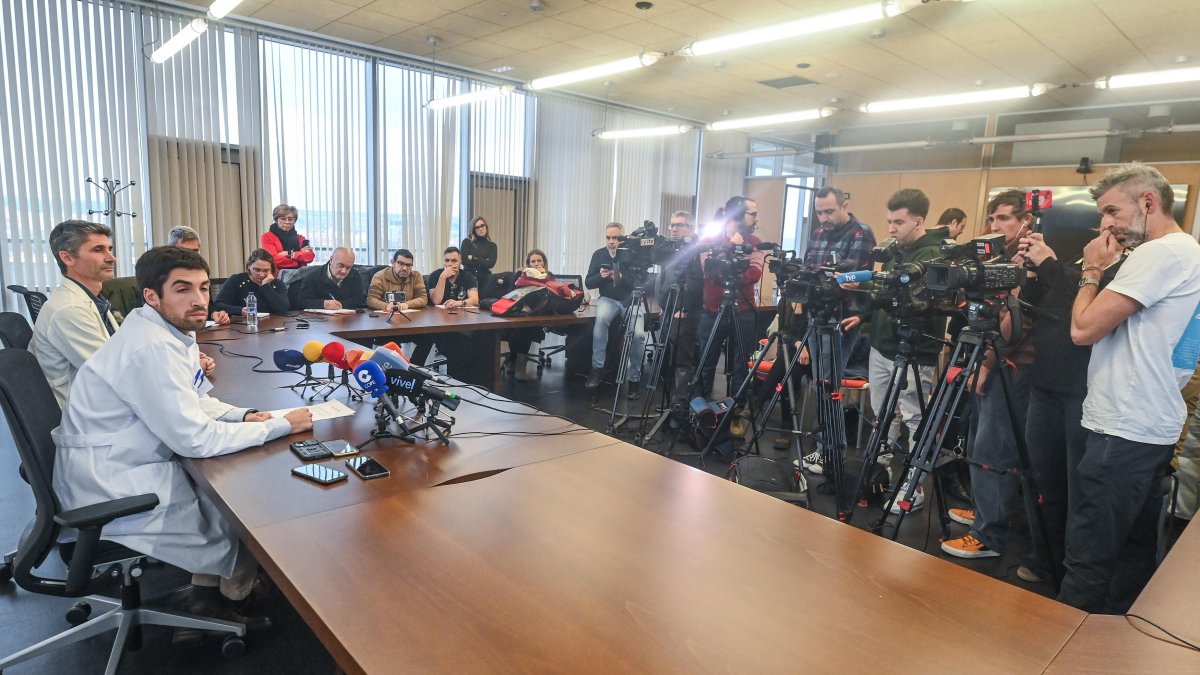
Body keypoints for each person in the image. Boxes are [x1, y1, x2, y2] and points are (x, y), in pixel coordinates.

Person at [51, 246, 314, 631]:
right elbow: (196, 440)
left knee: (230, 489)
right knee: (245, 510)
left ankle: (208, 597)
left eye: (204, 287)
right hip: (110, 485)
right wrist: (280, 426)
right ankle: (228, 600)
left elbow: (194, 398)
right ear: (151, 295)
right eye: (183, 289)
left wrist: (243, 416)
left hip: (122, 460)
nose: (199, 300)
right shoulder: (151, 347)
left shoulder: (166, 331)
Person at [1059, 163, 1200, 613]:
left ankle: (1062, 643)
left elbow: (1083, 329)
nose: (1106, 225)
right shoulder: (1189, 251)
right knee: (1132, 552)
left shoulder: (1160, 254)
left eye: (1112, 211)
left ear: (1148, 203)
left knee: (1088, 557)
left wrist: (1092, 270)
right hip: (1151, 422)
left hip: (1123, 426)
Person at [942, 190, 1038, 559]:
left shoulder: (1030, 262)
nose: (995, 226)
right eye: (993, 218)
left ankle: (989, 534)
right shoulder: (1000, 259)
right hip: (988, 355)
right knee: (978, 439)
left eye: (1004, 218)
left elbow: (1017, 327)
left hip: (1011, 365)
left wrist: (984, 366)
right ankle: (986, 510)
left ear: (1025, 221)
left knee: (993, 448)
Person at [837, 189, 947, 509]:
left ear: (918, 221)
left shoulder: (934, 255)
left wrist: (865, 283)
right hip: (882, 346)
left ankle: (914, 486)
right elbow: (887, 293)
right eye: (889, 221)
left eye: (898, 222)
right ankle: (880, 471)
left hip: (916, 350)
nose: (891, 228)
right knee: (883, 413)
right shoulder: (896, 250)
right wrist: (865, 315)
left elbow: (910, 296)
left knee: (914, 419)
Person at [29, 220, 120, 408]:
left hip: (96, 397)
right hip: (84, 410)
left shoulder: (90, 300)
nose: (111, 258)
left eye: (109, 249)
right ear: (68, 257)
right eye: (98, 250)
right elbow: (114, 374)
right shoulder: (69, 309)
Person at [696, 196, 766, 404]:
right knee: (706, 362)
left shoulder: (756, 242)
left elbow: (755, 273)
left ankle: (736, 408)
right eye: (753, 214)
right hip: (712, 310)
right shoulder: (709, 240)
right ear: (738, 215)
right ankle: (701, 409)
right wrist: (731, 247)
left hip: (743, 311)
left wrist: (726, 272)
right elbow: (708, 272)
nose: (756, 218)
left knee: (740, 365)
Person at [584, 222, 648, 396]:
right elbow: (588, 282)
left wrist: (620, 277)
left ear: (623, 238)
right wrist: (600, 276)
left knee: (638, 335)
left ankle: (634, 378)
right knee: (601, 321)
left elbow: (642, 283)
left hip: (632, 299)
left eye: (615, 238)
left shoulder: (632, 254)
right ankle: (597, 368)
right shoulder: (599, 254)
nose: (611, 241)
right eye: (608, 237)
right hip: (608, 299)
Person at [653, 211, 704, 407]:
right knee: (669, 356)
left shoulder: (697, 250)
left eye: (679, 225)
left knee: (682, 360)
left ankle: (682, 403)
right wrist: (663, 304)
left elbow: (697, 283)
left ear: (690, 228)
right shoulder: (671, 249)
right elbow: (664, 279)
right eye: (672, 225)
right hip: (668, 308)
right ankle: (671, 402)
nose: (674, 229)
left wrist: (685, 309)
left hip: (685, 312)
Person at [168, 225, 231, 326]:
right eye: (185, 251)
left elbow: (209, 305)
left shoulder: (201, 271)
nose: (191, 256)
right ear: (172, 249)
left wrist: (214, 314)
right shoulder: (163, 273)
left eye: (195, 251)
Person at [506, 249, 554, 381]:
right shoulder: (520, 275)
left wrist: (543, 277)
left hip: (538, 314)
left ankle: (519, 363)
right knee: (519, 326)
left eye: (539, 261)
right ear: (528, 264)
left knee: (526, 327)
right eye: (533, 261)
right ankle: (515, 359)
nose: (536, 263)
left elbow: (551, 297)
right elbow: (511, 294)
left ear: (544, 262)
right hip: (518, 311)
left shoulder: (549, 276)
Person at [805, 187, 877, 269]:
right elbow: (806, 269)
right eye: (819, 213)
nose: (823, 219)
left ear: (844, 207)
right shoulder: (817, 234)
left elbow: (854, 275)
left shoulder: (861, 234)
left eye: (829, 212)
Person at [213, 249, 291, 317]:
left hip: (271, 325)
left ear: (272, 269)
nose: (261, 274)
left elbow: (283, 308)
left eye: (266, 270)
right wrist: (240, 310)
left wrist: (265, 286)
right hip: (242, 324)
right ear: (249, 266)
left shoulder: (277, 284)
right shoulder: (237, 280)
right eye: (257, 270)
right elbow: (218, 305)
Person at [293, 247, 364, 310]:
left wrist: (338, 305)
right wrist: (323, 304)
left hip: (347, 318)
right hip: (319, 319)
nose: (344, 271)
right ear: (331, 260)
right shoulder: (312, 277)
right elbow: (302, 302)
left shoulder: (355, 275)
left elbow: (358, 300)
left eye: (348, 268)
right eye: (341, 266)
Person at [261, 204, 314, 270]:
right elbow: (273, 260)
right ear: (276, 220)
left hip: (300, 273)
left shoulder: (300, 238)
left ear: (294, 221)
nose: (287, 222)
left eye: (290, 219)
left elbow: (309, 257)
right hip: (280, 274)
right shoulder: (267, 237)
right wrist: (298, 258)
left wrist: (289, 254)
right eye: (283, 219)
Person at [460, 216, 497, 289]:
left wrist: (473, 258)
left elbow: (491, 264)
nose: (480, 229)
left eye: (482, 226)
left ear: (486, 227)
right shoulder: (467, 242)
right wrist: (484, 261)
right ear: (473, 230)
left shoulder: (492, 245)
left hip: (485, 280)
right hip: (468, 279)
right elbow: (464, 261)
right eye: (477, 227)